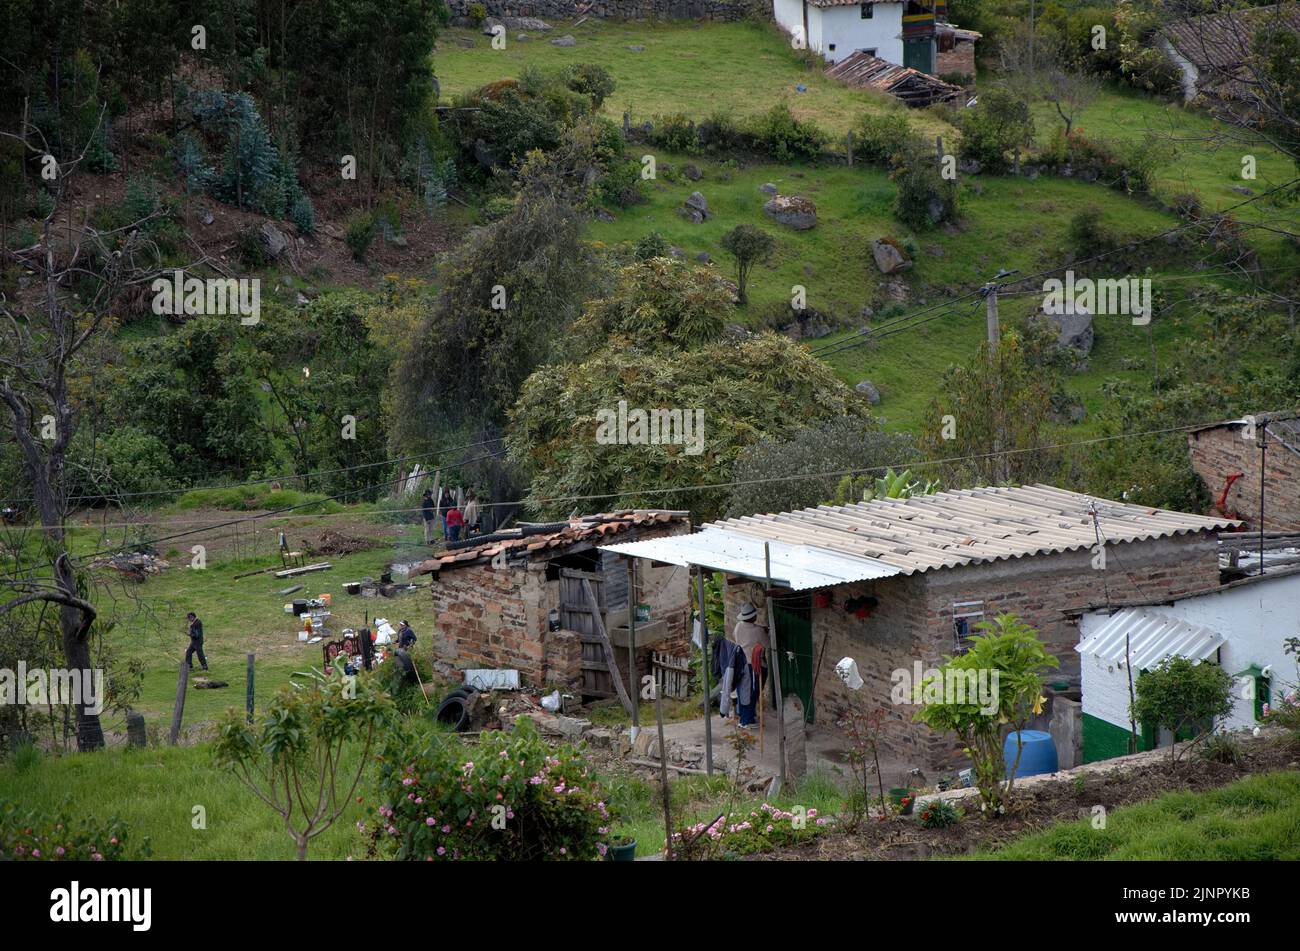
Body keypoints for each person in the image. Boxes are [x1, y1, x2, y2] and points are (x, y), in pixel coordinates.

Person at [732, 603, 769, 728]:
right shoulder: (757, 631)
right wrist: (765, 632)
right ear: (752, 617)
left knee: (743, 690)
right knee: (753, 690)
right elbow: (767, 643)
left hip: (740, 663)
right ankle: (746, 721)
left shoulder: (738, 626)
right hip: (752, 664)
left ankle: (744, 715)